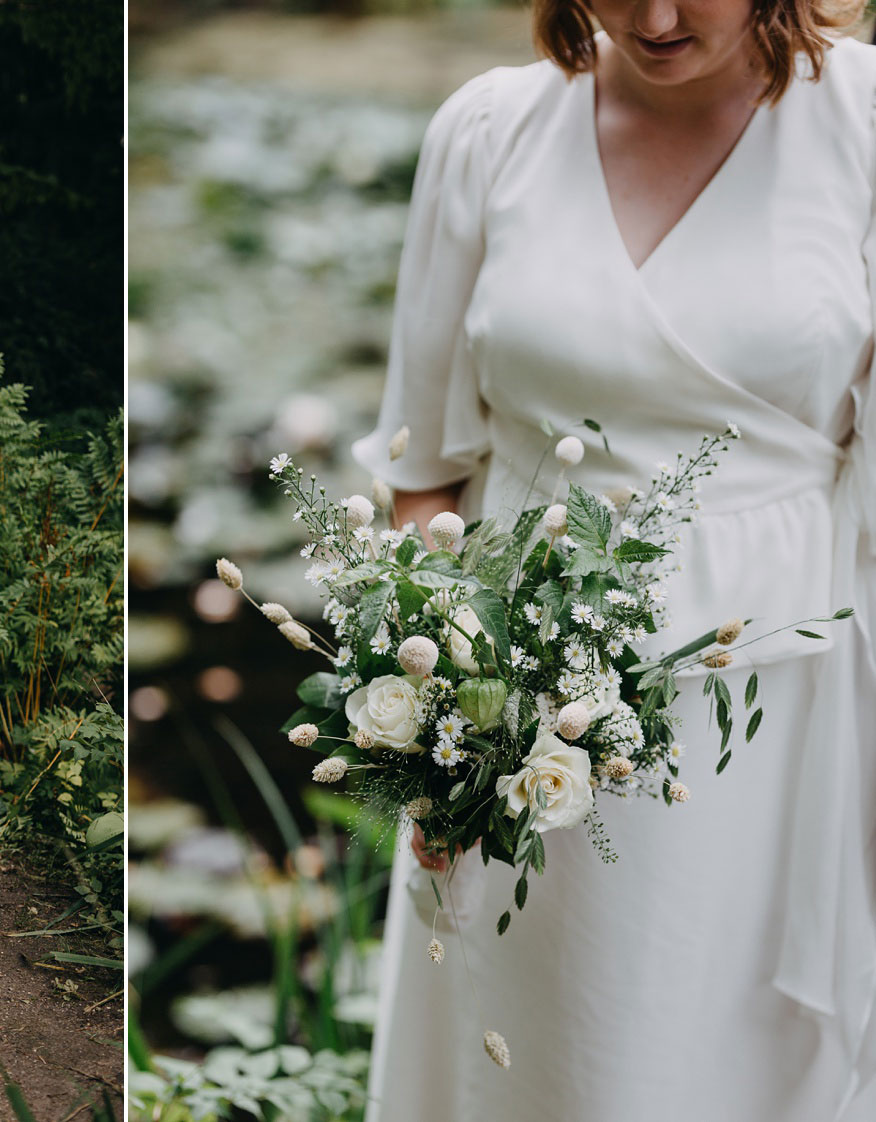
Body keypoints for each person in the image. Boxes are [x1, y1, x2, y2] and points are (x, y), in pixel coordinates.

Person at [352, 1, 876, 1117]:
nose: (655, 16)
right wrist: (435, 702)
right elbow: (424, 471)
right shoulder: (490, 131)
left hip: (773, 714)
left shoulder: (866, 126)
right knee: (534, 1044)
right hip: (516, 703)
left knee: (718, 1055)